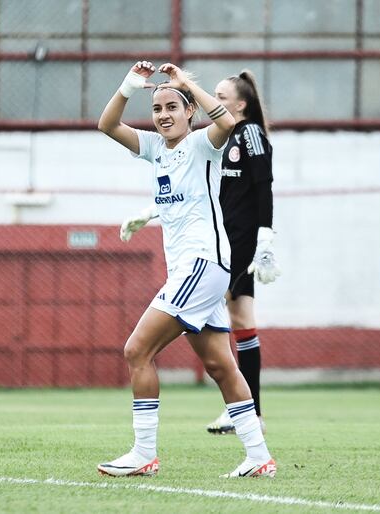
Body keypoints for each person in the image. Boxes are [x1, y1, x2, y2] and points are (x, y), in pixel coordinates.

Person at [96, 61, 276, 478]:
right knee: (220, 366)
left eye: (172, 107)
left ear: (189, 112)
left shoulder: (201, 144)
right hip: (196, 272)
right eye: (157, 108)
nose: (163, 115)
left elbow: (228, 121)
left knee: (136, 350)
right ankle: (258, 456)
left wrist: (185, 82)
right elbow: (107, 124)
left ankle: (144, 454)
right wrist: (129, 85)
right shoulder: (155, 148)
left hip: (202, 265)